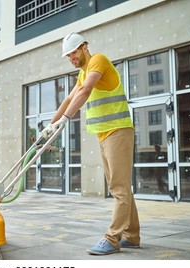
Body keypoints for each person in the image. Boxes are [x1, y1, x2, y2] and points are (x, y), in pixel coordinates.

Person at [41, 33, 140, 255]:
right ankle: (131, 236)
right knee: (121, 186)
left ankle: (112, 239)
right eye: (68, 56)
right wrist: (50, 124)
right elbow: (68, 99)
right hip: (104, 134)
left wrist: (66, 119)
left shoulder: (98, 61)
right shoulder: (82, 73)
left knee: (118, 188)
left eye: (73, 52)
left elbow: (86, 91)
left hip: (118, 130)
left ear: (85, 47)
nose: (71, 58)